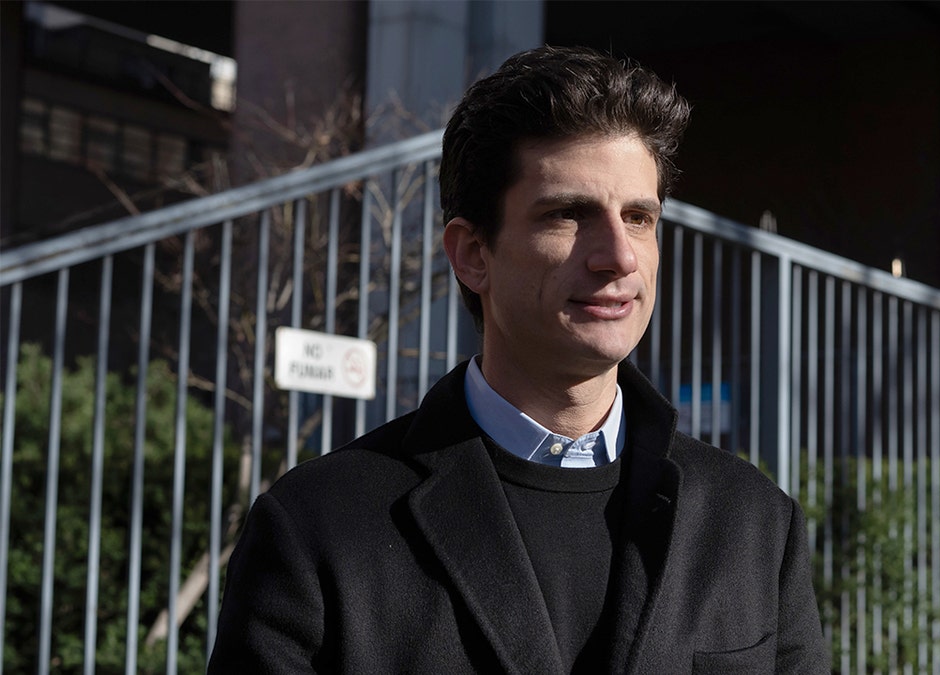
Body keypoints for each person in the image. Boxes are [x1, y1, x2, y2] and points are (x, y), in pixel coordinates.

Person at [209, 45, 829, 674]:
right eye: (568, 214)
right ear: (472, 254)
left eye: (639, 217)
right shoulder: (318, 528)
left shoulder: (754, 524)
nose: (619, 256)